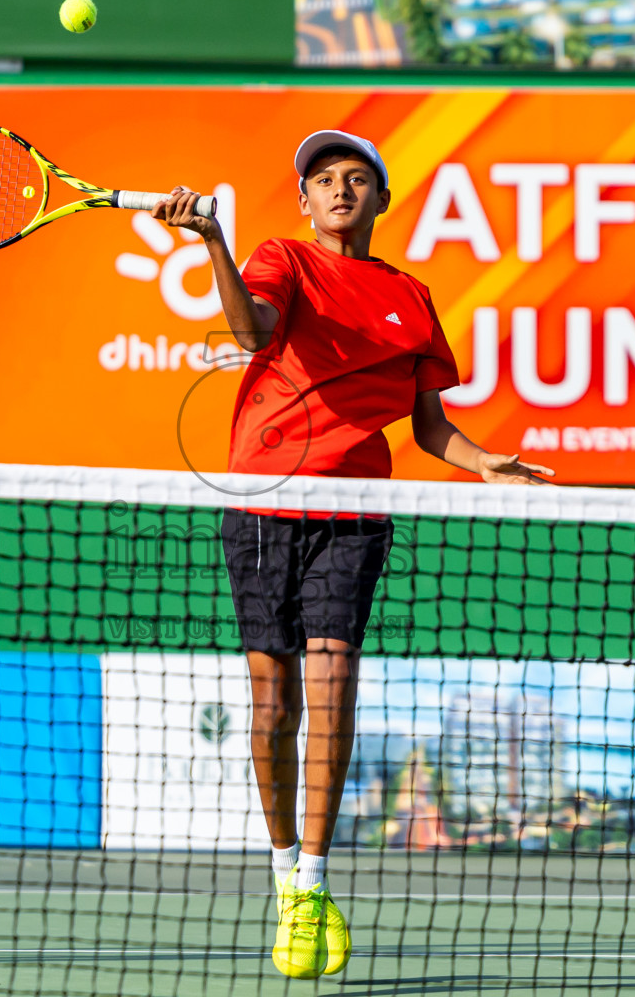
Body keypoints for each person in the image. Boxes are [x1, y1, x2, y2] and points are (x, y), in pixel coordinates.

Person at [153, 130, 554, 981]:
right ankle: (280, 868)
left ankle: (314, 879)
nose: (341, 189)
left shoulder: (411, 294)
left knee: (334, 682)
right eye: (324, 180)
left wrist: (483, 460)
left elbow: (428, 422)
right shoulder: (282, 259)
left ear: (381, 199)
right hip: (266, 502)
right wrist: (215, 242)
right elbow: (249, 326)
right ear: (304, 202)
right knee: (274, 708)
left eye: (357, 179)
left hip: (358, 509)